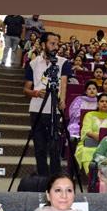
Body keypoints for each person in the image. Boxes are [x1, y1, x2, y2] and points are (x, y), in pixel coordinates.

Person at [23, 32, 71, 176]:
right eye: (52, 43)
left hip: (54, 110)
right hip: (37, 109)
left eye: (57, 44)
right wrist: (36, 93)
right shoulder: (33, 63)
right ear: (43, 45)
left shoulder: (63, 62)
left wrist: (61, 100)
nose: (56, 47)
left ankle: (55, 177)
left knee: (54, 146)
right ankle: (43, 177)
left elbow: (63, 83)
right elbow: (26, 89)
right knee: (39, 146)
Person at [75, 93, 107, 176]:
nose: (104, 103)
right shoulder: (89, 115)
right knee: (87, 151)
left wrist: (102, 140)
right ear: (97, 104)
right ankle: (92, 177)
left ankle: (104, 176)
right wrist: (101, 137)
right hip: (90, 144)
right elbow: (86, 131)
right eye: (102, 101)